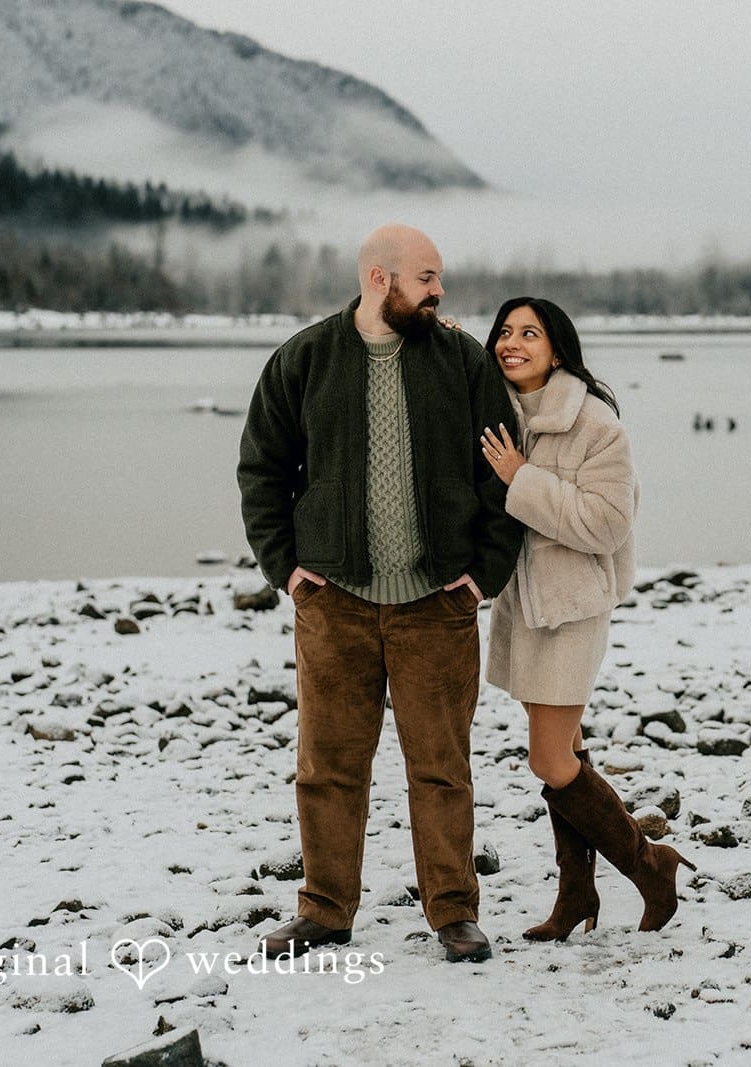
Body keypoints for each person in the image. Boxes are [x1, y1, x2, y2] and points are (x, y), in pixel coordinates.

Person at [237, 224, 522, 964]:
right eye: (426, 278)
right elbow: (262, 469)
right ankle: (325, 910)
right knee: (328, 767)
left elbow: (501, 472)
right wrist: (285, 567)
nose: (439, 291)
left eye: (438, 278)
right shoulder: (304, 358)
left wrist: (483, 573)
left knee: (441, 766)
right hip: (335, 604)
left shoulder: (461, 360)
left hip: (437, 602)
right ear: (379, 278)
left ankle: (453, 912)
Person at [478, 296, 693, 941]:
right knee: (565, 749)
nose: (512, 343)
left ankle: (649, 866)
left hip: (571, 608)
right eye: (504, 332)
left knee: (549, 760)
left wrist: (522, 478)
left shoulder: (595, 423)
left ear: (557, 350)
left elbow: (607, 524)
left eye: (530, 333)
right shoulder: (499, 413)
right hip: (524, 603)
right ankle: (576, 896)